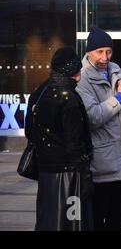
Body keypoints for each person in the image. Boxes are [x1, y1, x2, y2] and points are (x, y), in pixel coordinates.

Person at [76, 27, 121, 231]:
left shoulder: (116, 68)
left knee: (119, 219)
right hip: (101, 162)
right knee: (98, 219)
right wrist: (120, 97)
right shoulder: (83, 77)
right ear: (88, 52)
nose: (105, 57)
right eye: (100, 52)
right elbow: (92, 117)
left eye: (109, 51)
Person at [25, 46, 93, 231]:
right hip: (68, 176)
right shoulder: (69, 98)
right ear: (73, 71)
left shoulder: (40, 93)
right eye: (78, 70)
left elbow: (29, 132)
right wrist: (85, 175)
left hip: (46, 174)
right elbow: (75, 144)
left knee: (48, 221)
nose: (80, 76)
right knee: (72, 223)